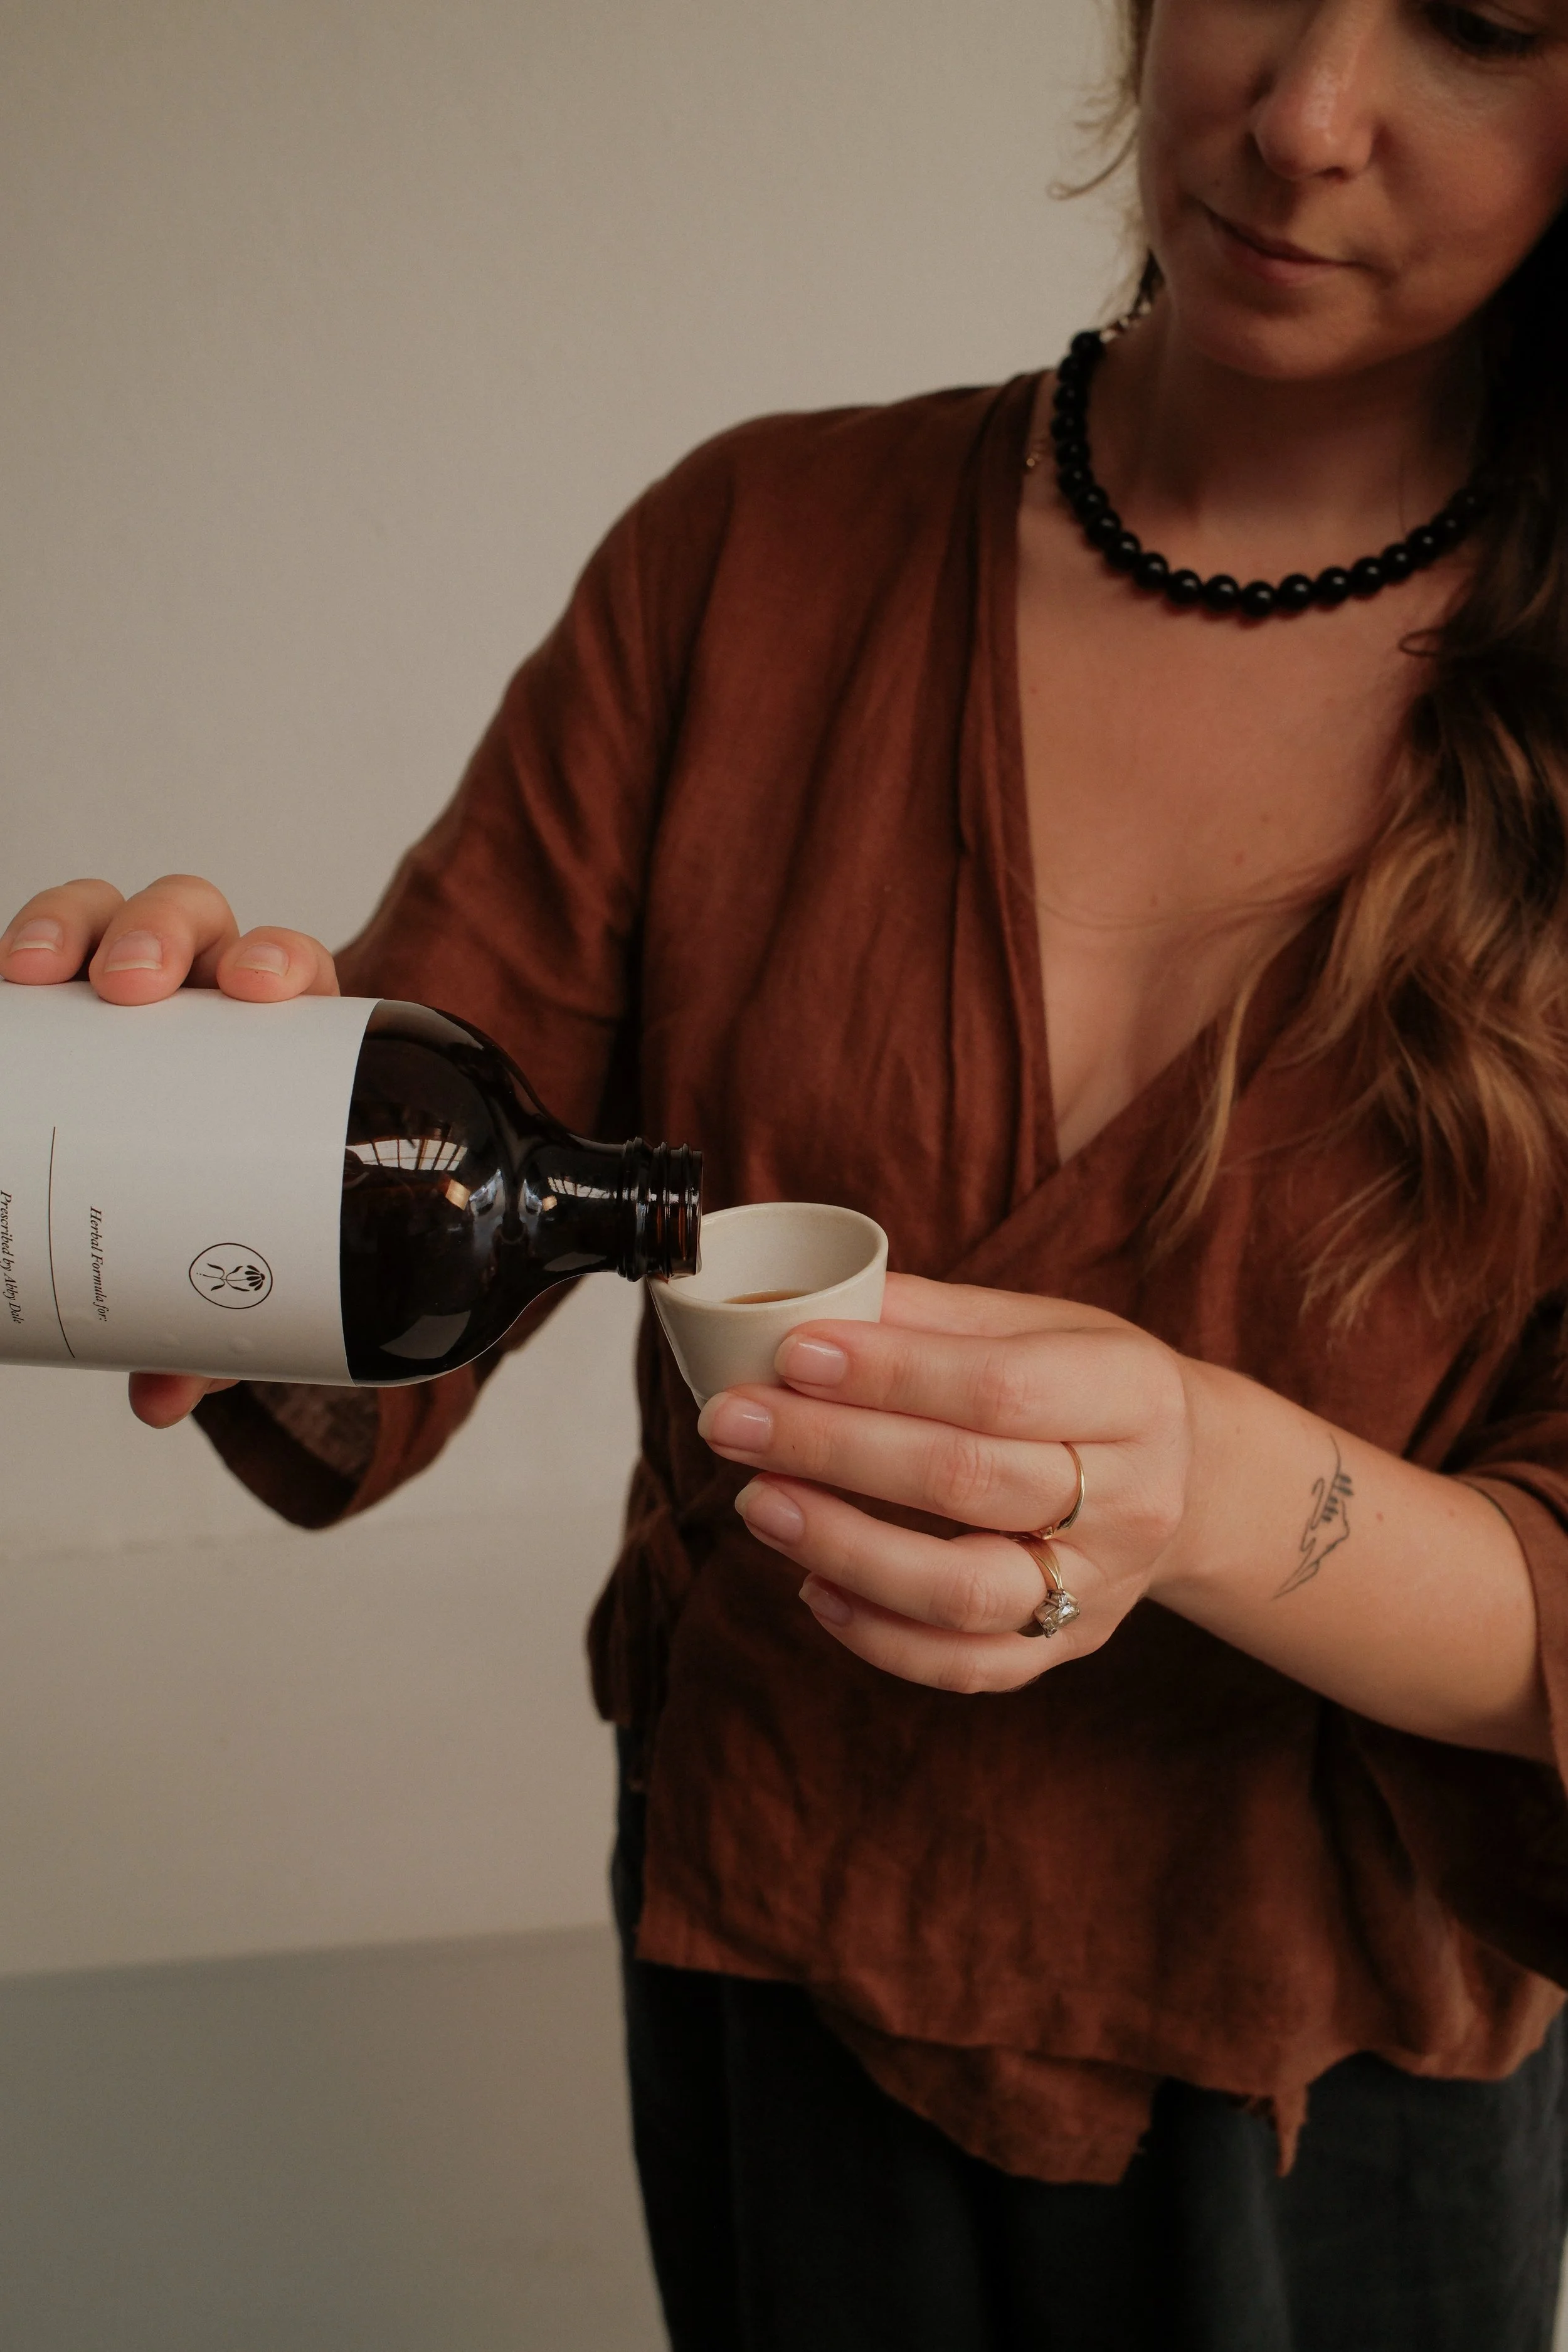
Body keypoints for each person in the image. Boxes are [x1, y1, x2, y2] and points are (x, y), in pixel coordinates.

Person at [9, 0, 1568, 2343]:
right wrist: (181, 1128)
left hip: (1323, 2087)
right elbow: (371, 1299)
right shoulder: (751, 558)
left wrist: (1208, 1493)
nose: (1304, 109)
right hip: (777, 1984)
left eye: (1477, 25)